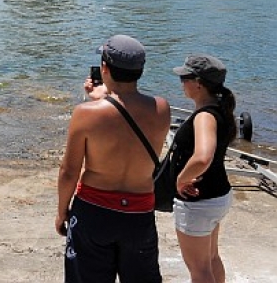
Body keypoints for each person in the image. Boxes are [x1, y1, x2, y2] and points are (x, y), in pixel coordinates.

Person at [56, 34, 170, 283]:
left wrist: (61, 211)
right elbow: (128, 110)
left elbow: (69, 171)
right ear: (140, 70)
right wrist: (105, 94)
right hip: (139, 213)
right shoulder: (162, 109)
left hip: (94, 211)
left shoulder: (85, 114)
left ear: (105, 68)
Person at [171, 55, 236, 283]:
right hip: (218, 196)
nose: (181, 83)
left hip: (199, 202)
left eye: (184, 78)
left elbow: (202, 157)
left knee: (199, 270)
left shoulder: (205, 116)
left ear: (198, 82)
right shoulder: (220, 110)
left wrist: (181, 179)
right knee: (211, 259)